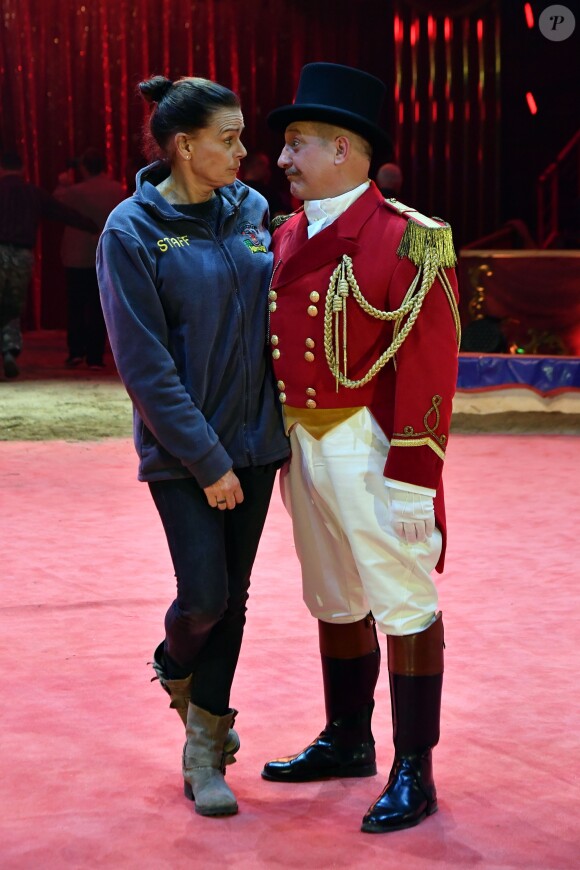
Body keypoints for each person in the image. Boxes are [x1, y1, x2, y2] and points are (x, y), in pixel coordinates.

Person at [261, 62, 461, 834]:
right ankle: (348, 738)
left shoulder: (410, 238)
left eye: (297, 143)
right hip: (303, 443)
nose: (283, 158)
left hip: (371, 444)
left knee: (402, 599)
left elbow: (431, 363)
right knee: (334, 596)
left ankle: (416, 768)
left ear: (343, 149)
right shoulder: (291, 231)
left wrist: (414, 474)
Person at [96, 75, 289, 818]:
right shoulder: (131, 231)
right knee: (204, 596)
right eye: (228, 138)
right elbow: (144, 365)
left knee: (233, 599)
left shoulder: (252, 211)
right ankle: (172, 663)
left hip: (258, 442)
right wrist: (208, 461)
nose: (244, 152)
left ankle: (205, 747)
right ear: (184, 145)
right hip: (182, 453)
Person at [0, 151, 98, 378]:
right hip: (22, 255)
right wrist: (91, 226)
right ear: (23, 168)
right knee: (12, 305)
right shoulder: (32, 193)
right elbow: (61, 212)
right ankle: (9, 350)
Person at [54, 147, 126, 369]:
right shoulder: (117, 189)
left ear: (84, 167)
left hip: (77, 255)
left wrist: (63, 183)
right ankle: (95, 356)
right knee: (100, 306)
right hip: (106, 253)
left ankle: (76, 352)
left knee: (76, 305)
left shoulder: (74, 191)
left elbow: (56, 204)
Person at [241, 151, 291, 218]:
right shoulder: (269, 192)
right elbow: (279, 218)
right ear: (256, 165)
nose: (267, 169)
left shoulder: (235, 190)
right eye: (265, 165)